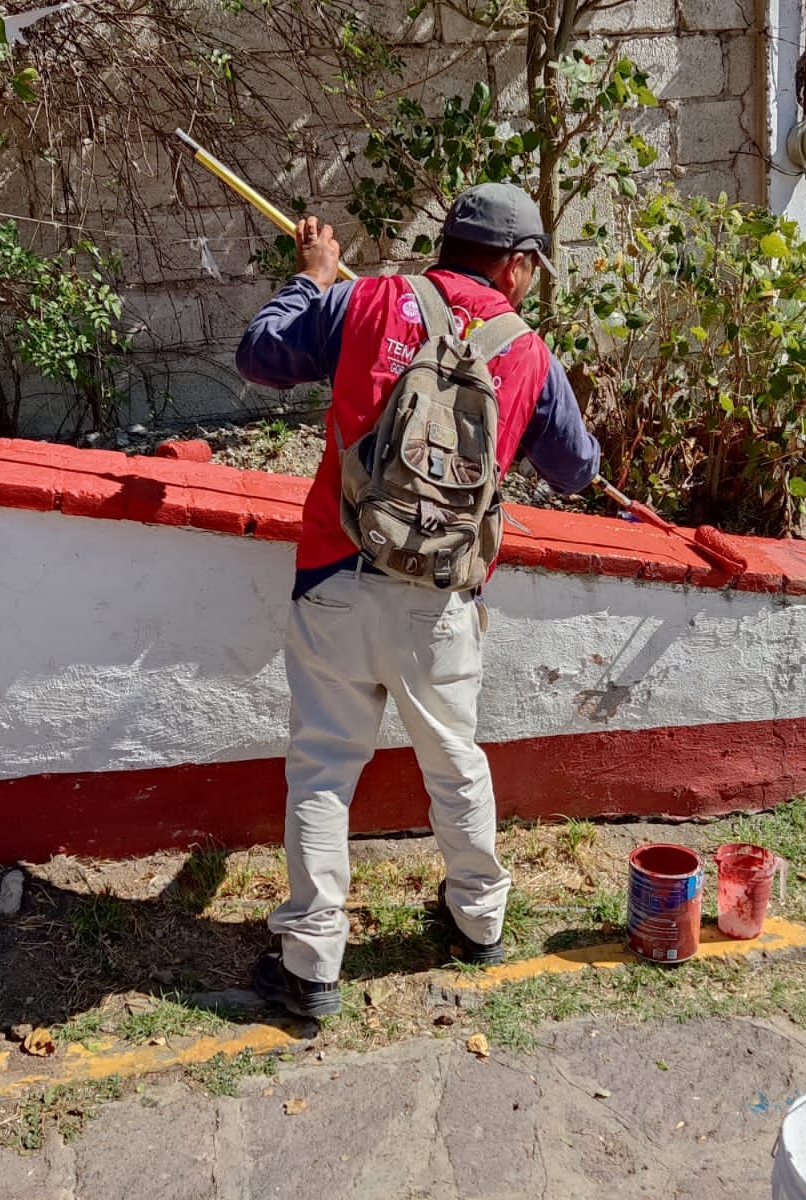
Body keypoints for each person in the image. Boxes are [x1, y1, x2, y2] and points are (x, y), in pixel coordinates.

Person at [234, 183, 601, 1018]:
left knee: (324, 770)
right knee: (454, 758)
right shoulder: (527, 351)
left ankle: (312, 966)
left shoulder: (366, 300)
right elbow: (577, 467)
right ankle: (478, 922)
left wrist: (317, 279)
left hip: (337, 574)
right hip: (441, 599)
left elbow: (259, 354)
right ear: (514, 266)